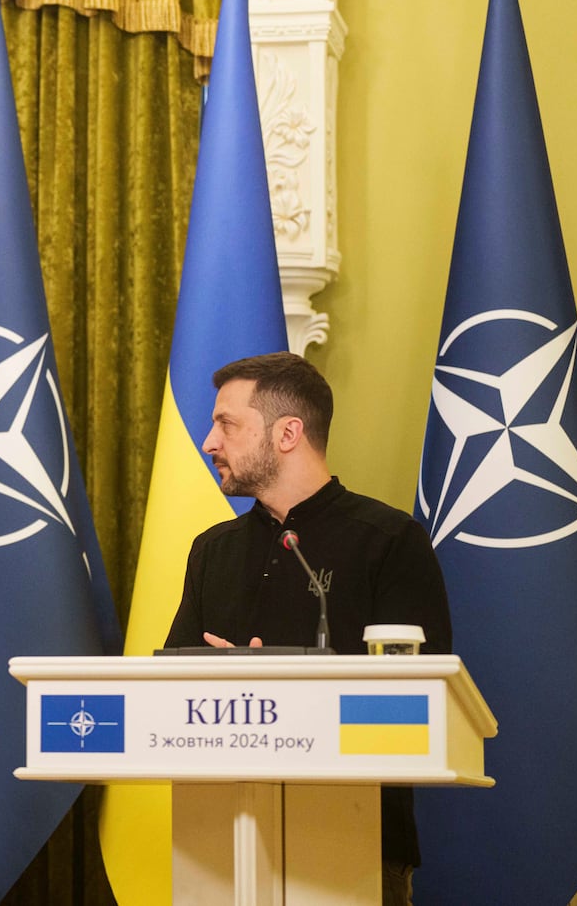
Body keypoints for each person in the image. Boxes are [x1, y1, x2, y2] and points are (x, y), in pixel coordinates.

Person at [163, 351, 450, 906]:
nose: (208, 442)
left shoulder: (388, 541)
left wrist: (286, 677)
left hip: (356, 838)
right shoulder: (211, 551)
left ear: (287, 433)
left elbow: (422, 699)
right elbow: (171, 680)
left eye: (226, 423)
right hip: (220, 839)